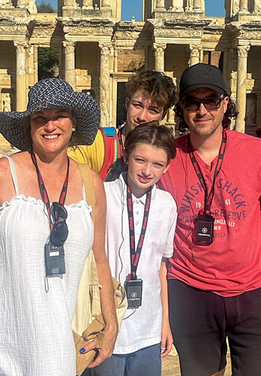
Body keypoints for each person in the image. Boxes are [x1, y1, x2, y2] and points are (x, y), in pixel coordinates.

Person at [0, 78, 117, 375]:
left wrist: (111, 322)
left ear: (74, 122)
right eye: (40, 117)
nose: (50, 125)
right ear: (29, 125)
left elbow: (100, 257)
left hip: (51, 338)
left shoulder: (92, 183)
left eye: (59, 116)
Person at [0, 70, 261, 200]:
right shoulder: (99, 143)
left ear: (163, 115)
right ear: (126, 103)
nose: (142, 116)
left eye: (153, 110)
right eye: (137, 105)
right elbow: (48, 160)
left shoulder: (172, 151)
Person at [163, 63, 261, 376]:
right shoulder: (166, 157)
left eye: (210, 100)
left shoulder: (260, 154)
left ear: (225, 104)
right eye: (192, 102)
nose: (202, 110)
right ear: (181, 108)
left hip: (256, 292)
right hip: (190, 291)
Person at [92, 122, 177, 376]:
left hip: (148, 329)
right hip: (105, 326)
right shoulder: (102, 195)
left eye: (157, 164)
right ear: (126, 156)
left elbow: (161, 267)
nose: (147, 171)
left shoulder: (166, 204)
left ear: (167, 167)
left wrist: (165, 322)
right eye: (140, 160)